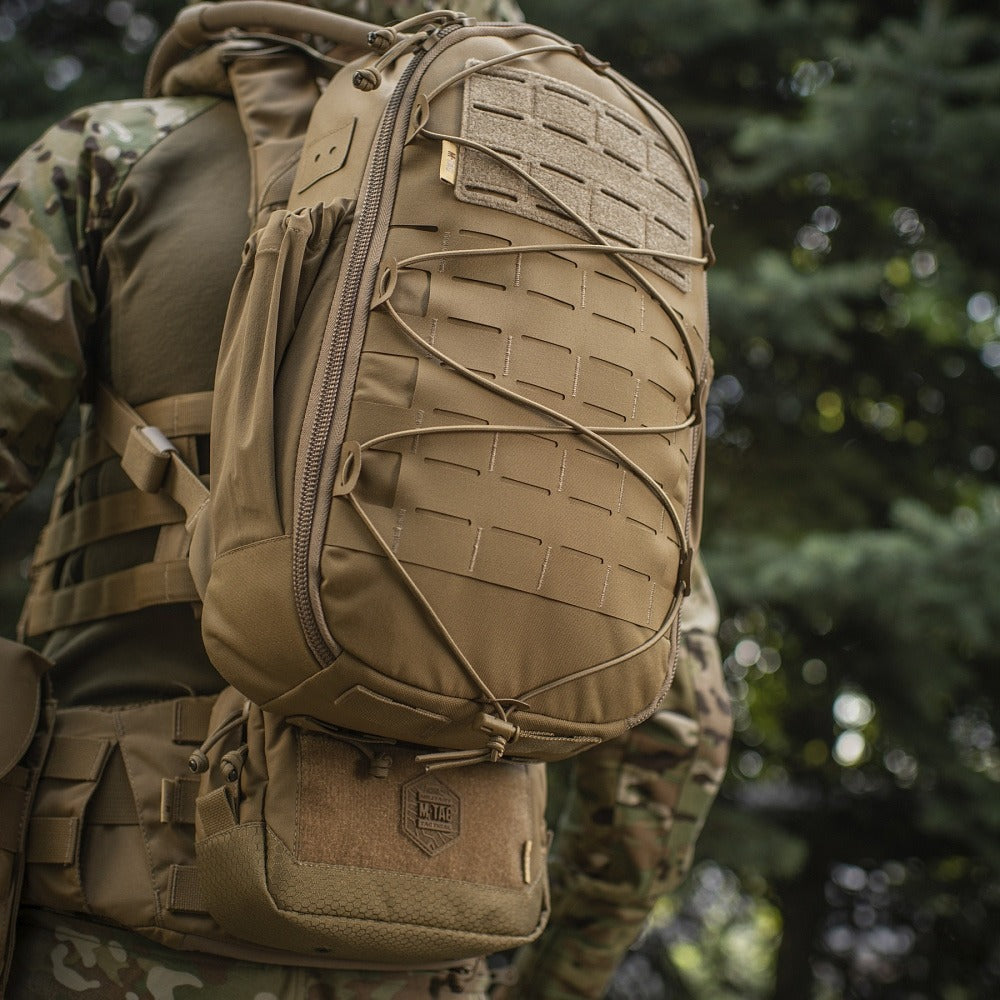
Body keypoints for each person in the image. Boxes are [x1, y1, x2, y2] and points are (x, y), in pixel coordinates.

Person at [0, 0, 732, 996]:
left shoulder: (118, 157)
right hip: (437, 940)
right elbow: (681, 723)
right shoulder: (584, 224)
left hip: (106, 931)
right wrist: (563, 974)